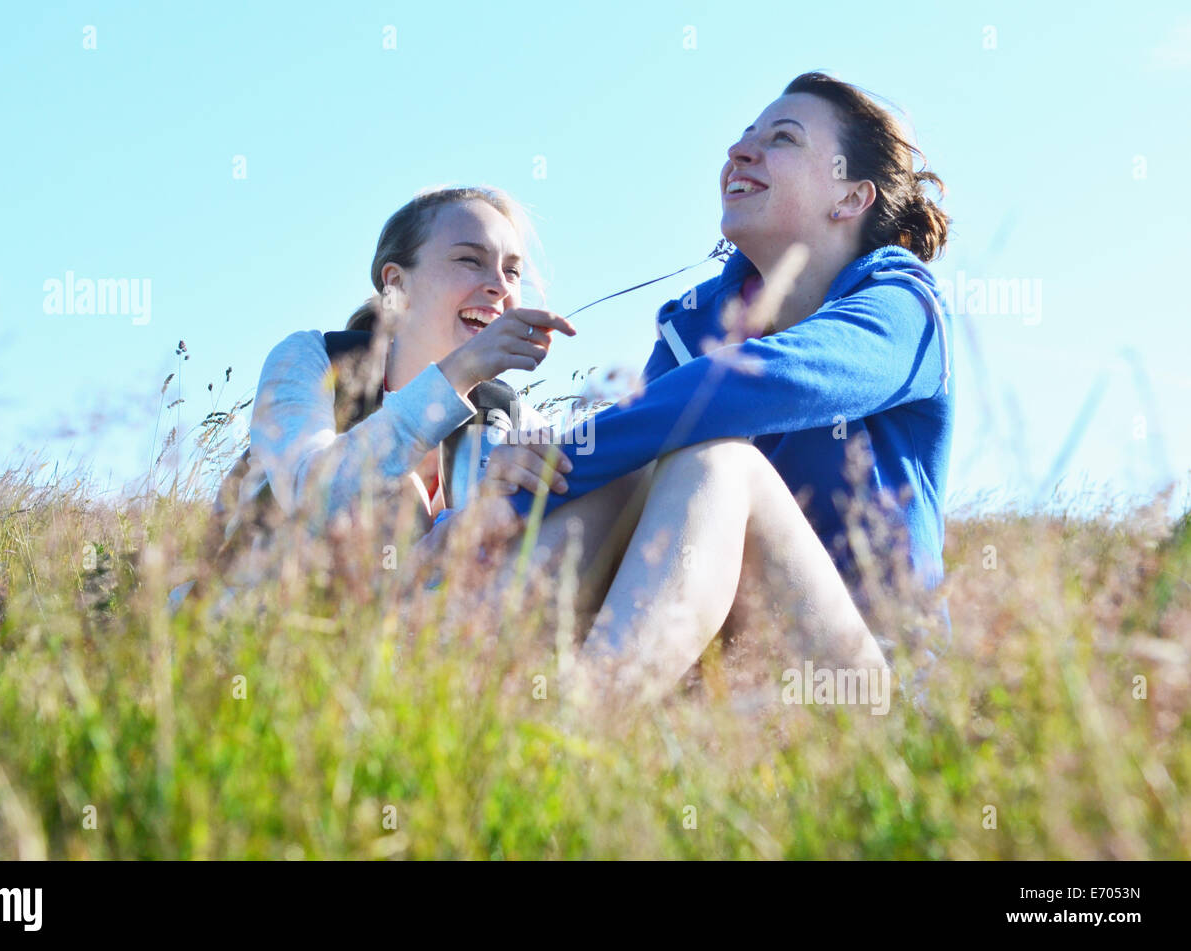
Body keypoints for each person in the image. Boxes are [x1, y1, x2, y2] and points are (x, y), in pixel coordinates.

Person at [477, 72, 955, 710]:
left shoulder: (902, 309)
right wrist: (522, 476)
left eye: (782, 139)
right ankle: (461, 700)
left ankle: (573, 734)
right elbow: (629, 459)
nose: (739, 152)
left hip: (864, 691)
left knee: (716, 459)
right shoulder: (695, 323)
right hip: (729, 677)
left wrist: (511, 502)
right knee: (614, 473)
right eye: (742, 137)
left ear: (850, 196)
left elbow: (746, 385)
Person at [169, 185, 573, 612]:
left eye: (512, 271)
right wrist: (458, 372)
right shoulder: (315, 362)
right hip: (249, 635)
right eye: (470, 260)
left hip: (415, 646)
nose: (497, 286)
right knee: (397, 497)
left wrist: (501, 498)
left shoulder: (512, 420)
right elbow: (312, 499)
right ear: (396, 284)